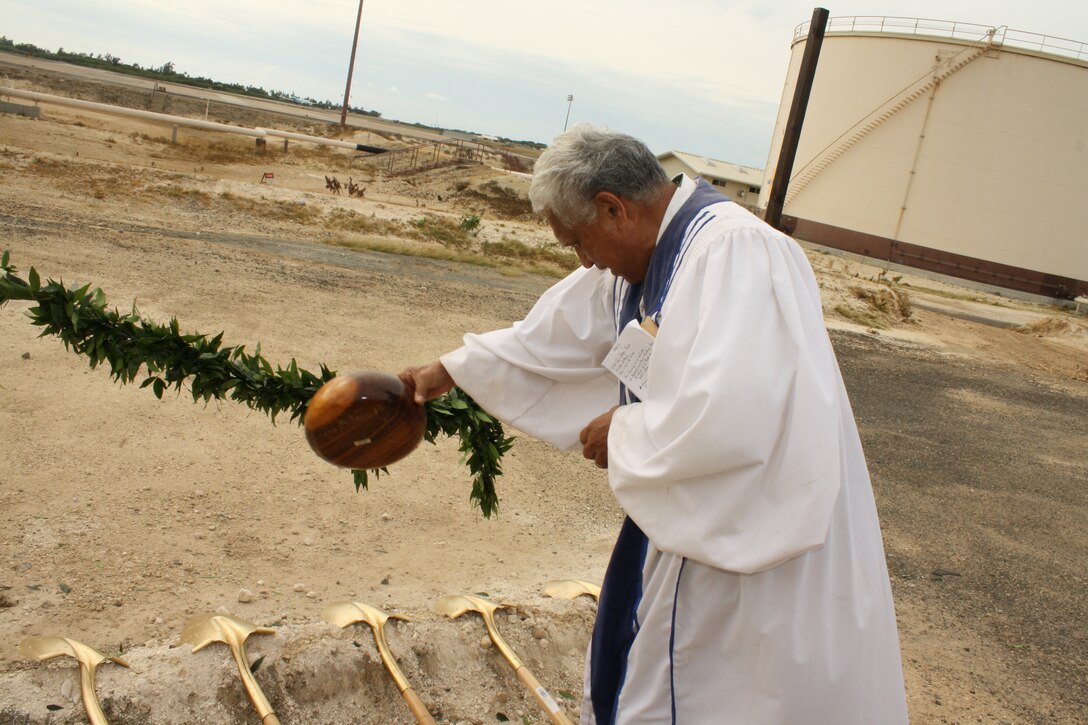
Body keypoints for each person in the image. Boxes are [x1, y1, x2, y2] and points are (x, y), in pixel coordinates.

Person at [400, 124, 908, 724]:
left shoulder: (736, 252)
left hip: (748, 538)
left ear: (613, 209)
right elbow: (556, 334)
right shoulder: (648, 260)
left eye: (579, 242)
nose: (584, 261)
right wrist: (452, 369)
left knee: (736, 693)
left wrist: (625, 432)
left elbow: (737, 412)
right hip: (687, 525)